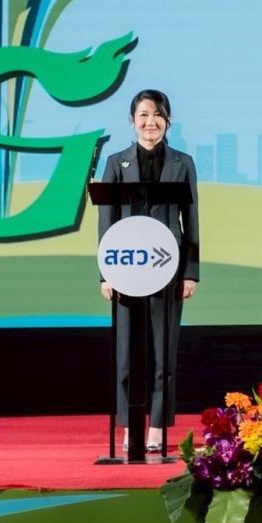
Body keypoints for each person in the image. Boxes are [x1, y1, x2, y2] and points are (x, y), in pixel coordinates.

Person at [98, 88, 199, 453]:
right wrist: (105, 273)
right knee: (126, 355)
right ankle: (129, 426)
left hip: (167, 268)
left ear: (167, 121)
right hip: (125, 268)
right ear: (132, 121)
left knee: (162, 354)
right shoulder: (116, 163)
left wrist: (190, 272)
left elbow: (192, 220)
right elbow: (106, 221)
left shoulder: (183, 163)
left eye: (157, 115)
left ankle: (156, 426)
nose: (150, 122)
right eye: (143, 115)